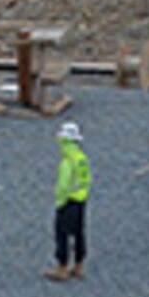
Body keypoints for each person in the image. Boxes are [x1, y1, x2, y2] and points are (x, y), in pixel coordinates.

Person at [47, 119, 92, 280]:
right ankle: (79, 265)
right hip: (81, 200)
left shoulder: (67, 161)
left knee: (62, 233)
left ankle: (62, 267)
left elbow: (63, 185)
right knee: (79, 232)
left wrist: (60, 201)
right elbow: (87, 180)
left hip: (68, 201)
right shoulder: (81, 158)